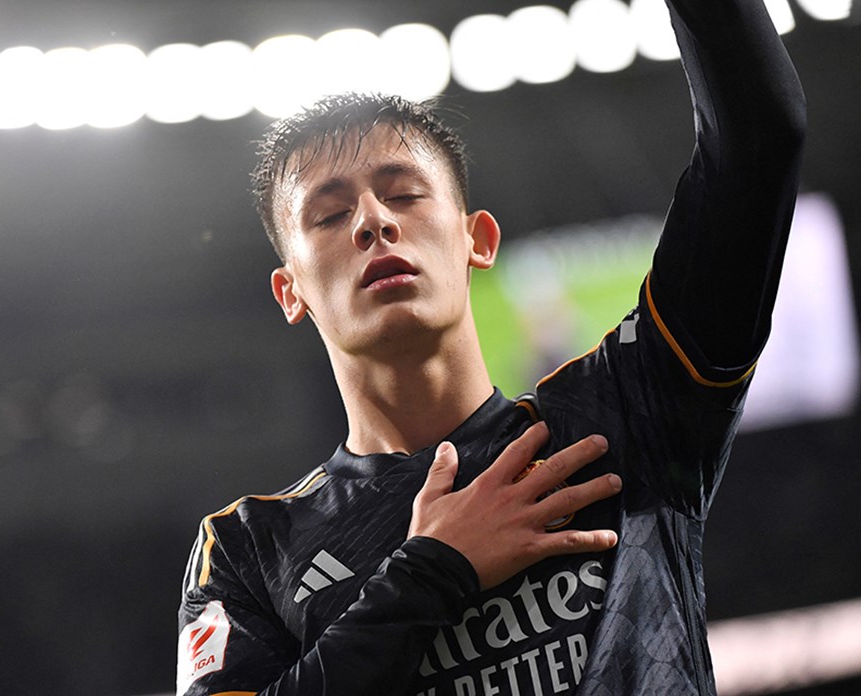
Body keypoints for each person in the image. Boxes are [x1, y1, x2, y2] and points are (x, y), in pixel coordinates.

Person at [177, 0, 806, 692]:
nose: (373, 222)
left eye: (404, 195)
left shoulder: (629, 411)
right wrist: (431, 570)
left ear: (476, 240)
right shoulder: (246, 550)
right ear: (290, 291)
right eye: (329, 214)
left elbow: (759, 137)